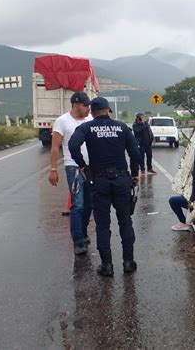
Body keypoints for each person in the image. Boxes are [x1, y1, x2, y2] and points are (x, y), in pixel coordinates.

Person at [69, 97, 140, 276]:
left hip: (99, 181)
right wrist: (134, 174)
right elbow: (135, 152)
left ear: (92, 112)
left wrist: (83, 166)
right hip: (122, 179)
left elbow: (72, 145)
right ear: (108, 110)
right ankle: (129, 262)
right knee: (125, 221)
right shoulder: (122, 127)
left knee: (102, 225)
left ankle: (107, 266)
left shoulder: (86, 127)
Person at [48, 92, 93, 255]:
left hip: (90, 168)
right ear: (75, 105)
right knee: (78, 204)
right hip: (73, 168)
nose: (88, 108)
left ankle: (83, 231)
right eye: (85, 105)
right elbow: (55, 147)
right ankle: (78, 240)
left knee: (89, 204)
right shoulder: (62, 121)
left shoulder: (91, 120)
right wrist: (53, 169)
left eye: (89, 105)